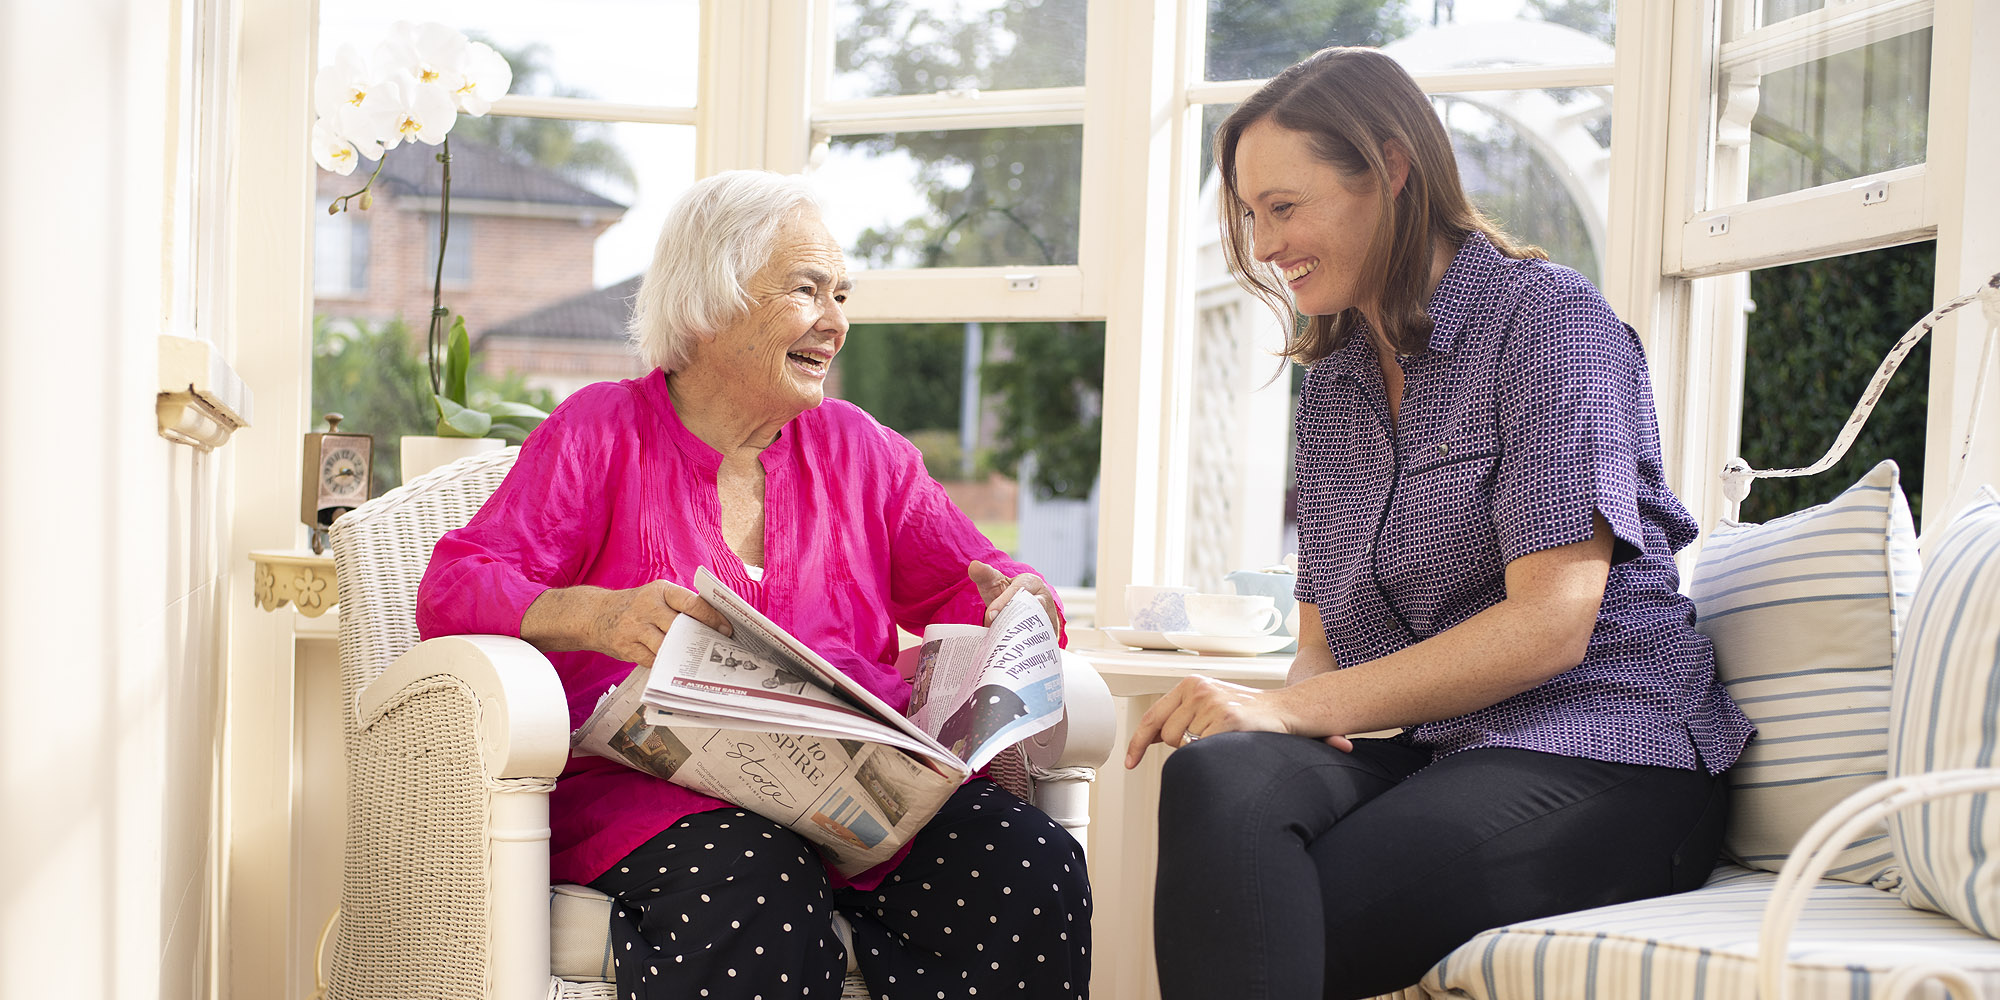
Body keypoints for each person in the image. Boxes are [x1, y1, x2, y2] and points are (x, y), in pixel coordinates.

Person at [1125, 48, 1752, 999]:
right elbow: (1321, 643)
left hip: (1607, 746)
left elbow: (1551, 623)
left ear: (1389, 168)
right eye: (1251, 215)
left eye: (1284, 207)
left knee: (1272, 912)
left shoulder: (1548, 325)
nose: (1263, 243)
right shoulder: (1333, 381)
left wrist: (1293, 709)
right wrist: (1290, 716)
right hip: (1427, 749)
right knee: (1216, 780)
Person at [417, 170, 1090, 1000]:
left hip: (858, 806)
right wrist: (594, 613)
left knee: (1030, 863)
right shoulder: (602, 431)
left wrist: (1021, 597)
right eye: (808, 291)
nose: (837, 323)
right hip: (657, 801)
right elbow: (454, 586)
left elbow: (973, 580)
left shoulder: (862, 450)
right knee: (756, 882)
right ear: (710, 301)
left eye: (841, 295)